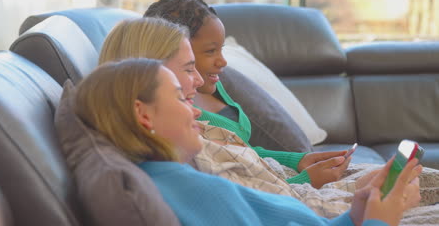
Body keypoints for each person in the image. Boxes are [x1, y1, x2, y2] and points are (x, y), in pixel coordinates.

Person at [74, 57, 422, 226]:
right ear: (144, 115)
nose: (196, 112)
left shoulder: (181, 180)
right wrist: (380, 222)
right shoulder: (191, 194)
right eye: (181, 98)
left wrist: (358, 213)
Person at [143, 0, 348, 188]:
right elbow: (232, 188)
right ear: (176, 51)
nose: (223, 61)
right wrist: (305, 180)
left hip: (273, 179)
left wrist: (298, 160)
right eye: (210, 51)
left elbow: (243, 152)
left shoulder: (214, 86)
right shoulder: (181, 120)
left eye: (221, 49)